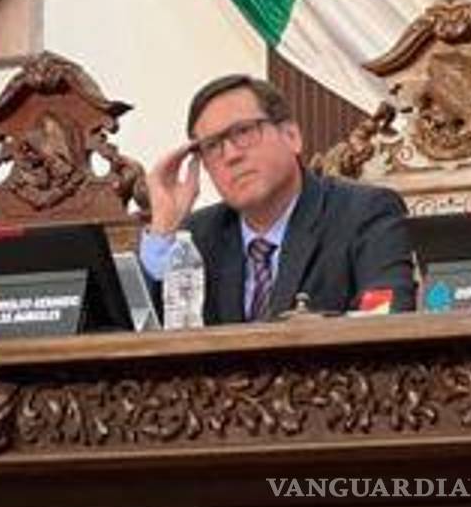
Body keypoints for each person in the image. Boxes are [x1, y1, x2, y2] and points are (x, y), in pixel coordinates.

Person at [141, 74, 414, 324]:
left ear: (291, 136)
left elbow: (384, 319)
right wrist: (164, 227)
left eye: (244, 132)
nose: (231, 156)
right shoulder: (197, 237)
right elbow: (142, 335)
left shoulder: (364, 213)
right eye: (212, 146)